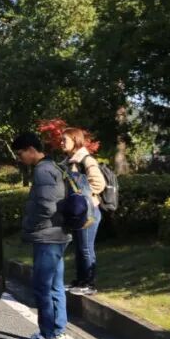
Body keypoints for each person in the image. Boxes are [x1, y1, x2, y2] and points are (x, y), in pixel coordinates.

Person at [12, 132, 73, 339]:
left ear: (31, 149)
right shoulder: (54, 167)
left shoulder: (42, 171)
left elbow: (47, 207)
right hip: (58, 235)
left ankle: (46, 337)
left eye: (20, 154)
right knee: (56, 287)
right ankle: (58, 332)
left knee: (42, 288)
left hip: (48, 236)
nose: (19, 158)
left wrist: (33, 225)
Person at [61, 127, 104, 296]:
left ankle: (89, 283)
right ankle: (80, 280)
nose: (61, 143)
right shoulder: (69, 161)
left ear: (75, 140)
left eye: (65, 140)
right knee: (79, 247)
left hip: (89, 212)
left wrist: (82, 196)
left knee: (86, 248)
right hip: (78, 212)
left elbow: (98, 184)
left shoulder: (86, 160)